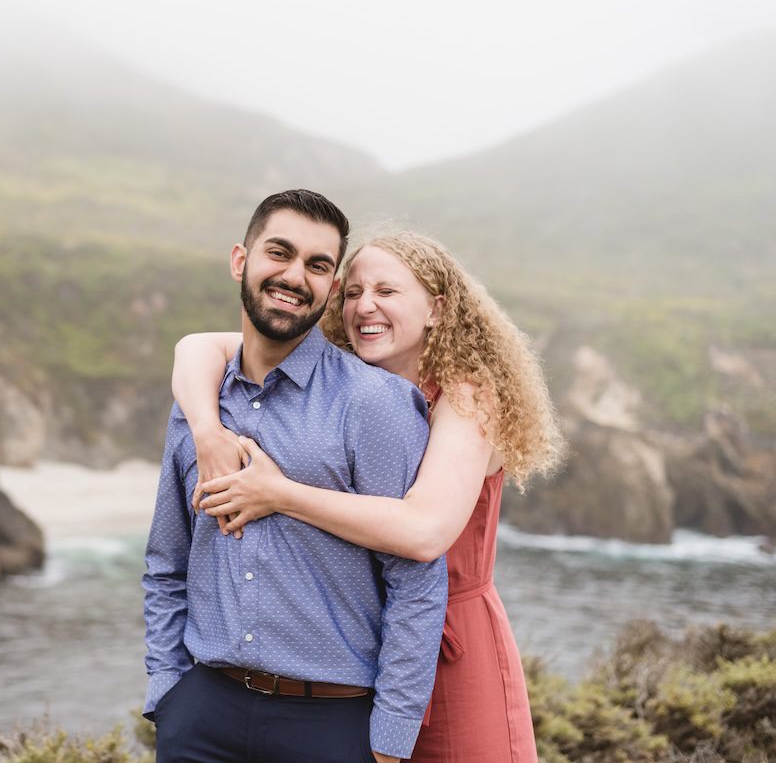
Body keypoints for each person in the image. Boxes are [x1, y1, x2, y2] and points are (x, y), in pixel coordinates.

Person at [172, 231, 564, 762]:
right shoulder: (347, 383)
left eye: (387, 291)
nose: (365, 307)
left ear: (436, 309)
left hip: (452, 649)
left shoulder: (468, 394)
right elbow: (196, 346)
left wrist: (280, 494)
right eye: (353, 292)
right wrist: (205, 428)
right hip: (359, 648)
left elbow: (424, 532)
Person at [143, 190, 447, 763]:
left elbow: (417, 581)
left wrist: (389, 739)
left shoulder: (373, 403)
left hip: (330, 725)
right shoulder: (198, 400)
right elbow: (167, 560)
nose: (293, 276)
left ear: (332, 288)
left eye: (317, 265)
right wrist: (168, 691)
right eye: (279, 253)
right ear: (241, 260)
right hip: (201, 716)